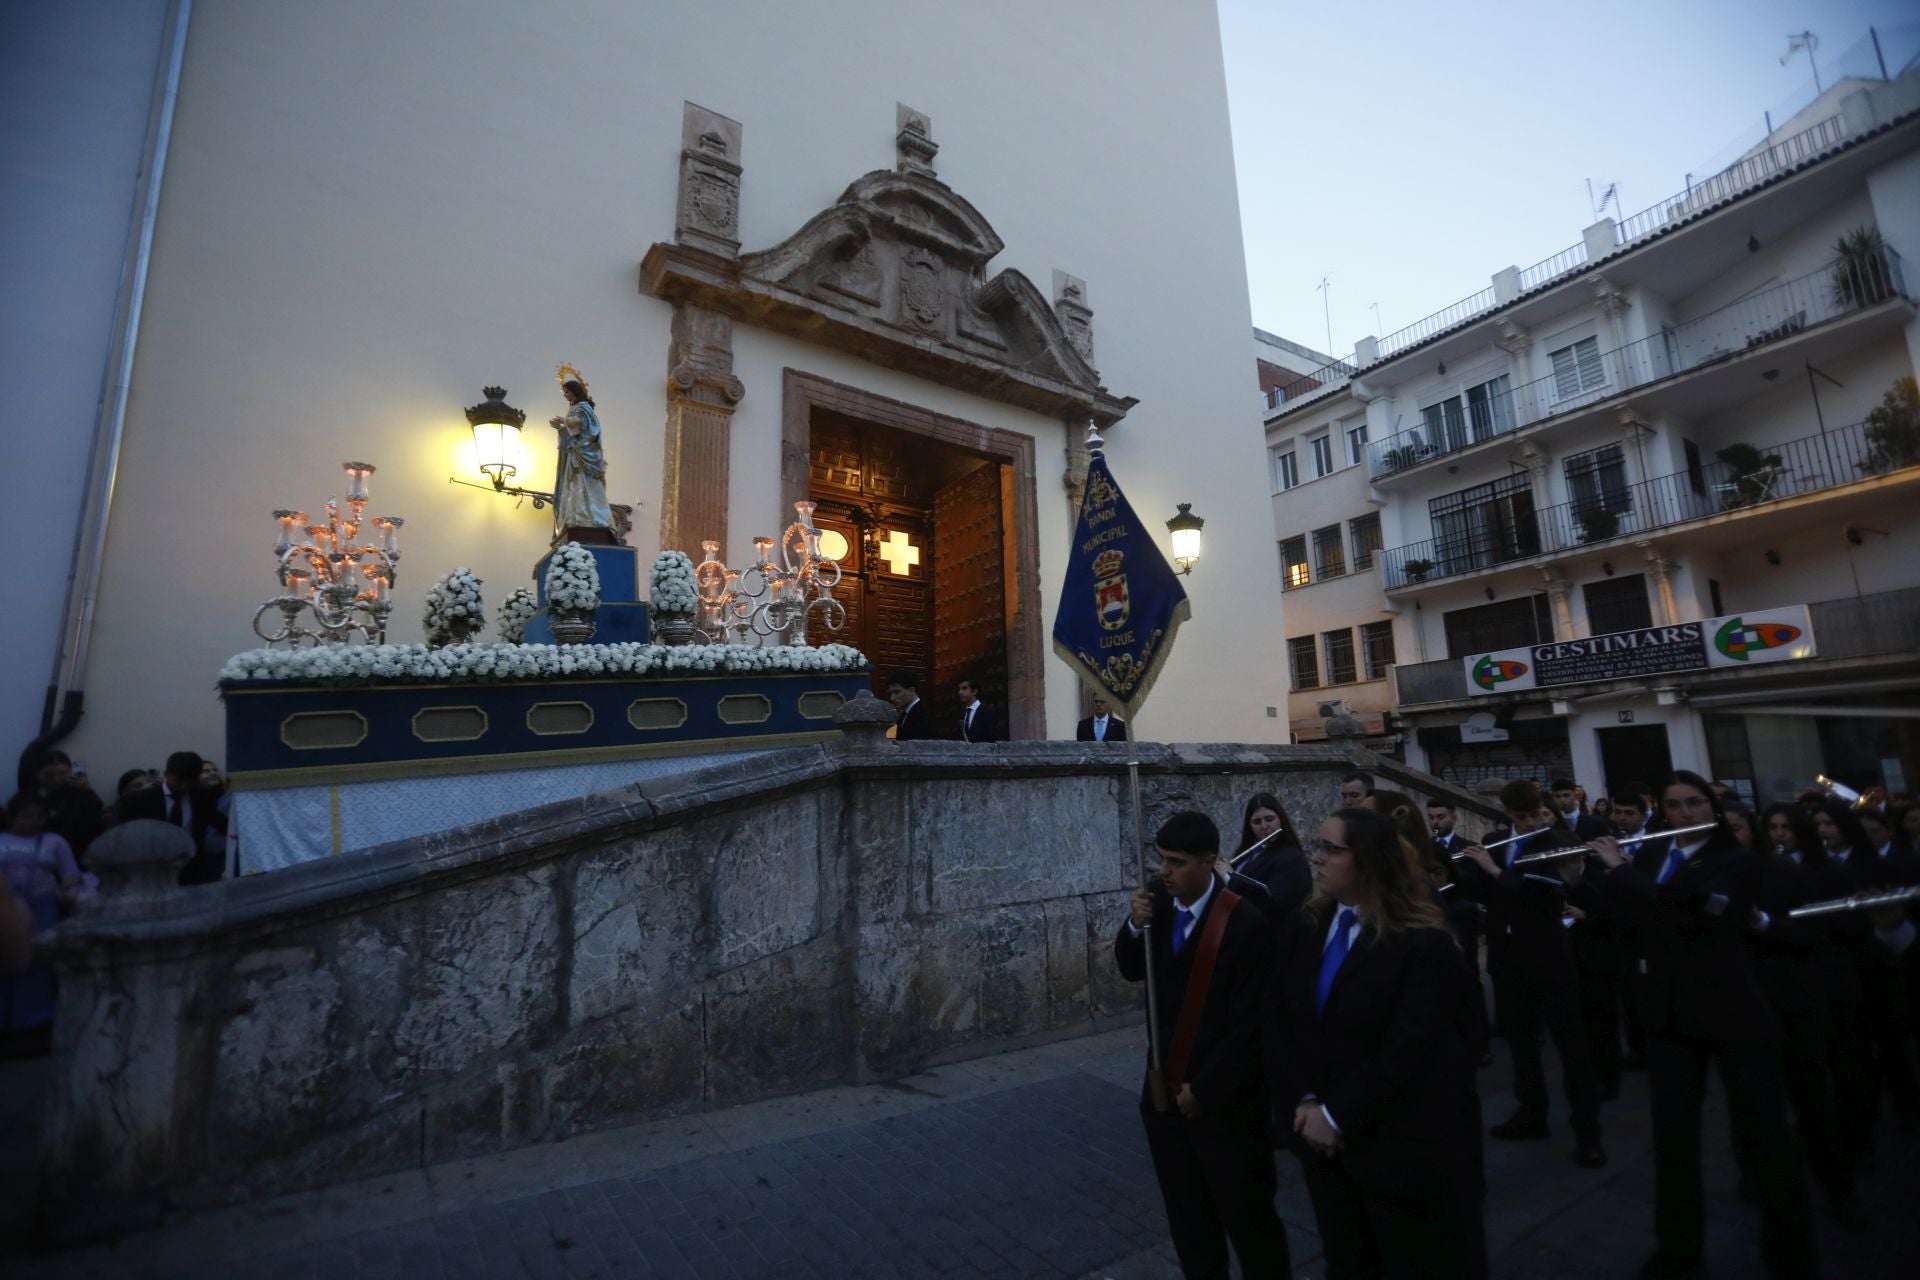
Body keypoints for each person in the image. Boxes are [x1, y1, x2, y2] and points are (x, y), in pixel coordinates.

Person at [1589, 771, 1816, 1280]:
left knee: (1764, 1137)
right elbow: (1628, 919)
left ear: (1711, 808)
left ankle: (1792, 1255)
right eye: (1675, 804)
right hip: (1669, 1016)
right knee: (1673, 1141)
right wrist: (1580, 880)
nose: (1686, 813)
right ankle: (1678, 1250)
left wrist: (1620, 873)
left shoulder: (1735, 861)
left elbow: (1694, 913)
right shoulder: (1650, 856)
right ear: (1663, 811)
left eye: (1695, 803)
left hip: (1733, 1010)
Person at [1266, 806, 1487, 1279]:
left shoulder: (1423, 942)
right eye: (1316, 845)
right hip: (1323, 1150)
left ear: (1368, 860)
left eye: (1330, 848)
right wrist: (1303, 1101)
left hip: (1400, 1151)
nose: (1317, 858)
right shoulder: (1307, 925)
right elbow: (1283, 1020)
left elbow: (1411, 1048)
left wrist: (1337, 1114)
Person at [1115, 811, 1290, 1278]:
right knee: (1189, 1222)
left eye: (1177, 862)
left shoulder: (1246, 920)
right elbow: (1132, 969)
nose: (1165, 872)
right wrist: (1134, 926)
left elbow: (1252, 1023)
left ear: (1210, 862)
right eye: (1162, 860)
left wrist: (1207, 1088)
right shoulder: (1155, 901)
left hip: (1229, 1106)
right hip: (1163, 1093)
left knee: (1250, 1222)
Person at [1458, 780, 1606, 1167]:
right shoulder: (1494, 838)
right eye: (1518, 816)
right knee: (1521, 1045)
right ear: (1507, 813)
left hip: (1548, 955)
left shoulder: (1557, 839)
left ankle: (1588, 1132)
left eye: (1531, 815)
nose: (1526, 823)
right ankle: (1531, 1113)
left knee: (1572, 1047)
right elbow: (1483, 891)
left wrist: (1493, 871)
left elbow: (1543, 890)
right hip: (1507, 957)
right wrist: (1461, 870)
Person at [1751, 802, 1863, 1227]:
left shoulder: (1827, 871)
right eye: (1773, 827)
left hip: (1817, 990)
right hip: (1770, 994)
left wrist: (1768, 925)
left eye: (1787, 828)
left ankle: (1839, 1186)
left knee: (1820, 1096)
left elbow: (1830, 932)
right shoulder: (1761, 870)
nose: (1780, 834)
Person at [1, 793, 83, 1046]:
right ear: (12, 816)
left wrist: (67, 890)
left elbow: (70, 873)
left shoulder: (54, 841)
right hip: (5, 908)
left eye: (39, 817)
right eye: (27, 817)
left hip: (43, 907)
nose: (34, 822)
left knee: (38, 962)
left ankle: (34, 1022)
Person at [118, 750, 228, 884]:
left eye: (190, 781)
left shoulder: (202, 796)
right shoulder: (139, 800)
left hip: (190, 868)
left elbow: (219, 822)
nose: (184, 786)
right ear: (166, 775)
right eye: (178, 781)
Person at [548, 367, 614, 539]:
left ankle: (591, 518)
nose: (565, 395)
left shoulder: (584, 408)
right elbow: (573, 432)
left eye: (567, 392)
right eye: (564, 392)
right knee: (574, 485)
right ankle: (577, 516)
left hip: (585, 455)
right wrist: (561, 429)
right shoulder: (576, 408)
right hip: (575, 454)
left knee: (587, 485)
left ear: (575, 392)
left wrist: (564, 421)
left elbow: (587, 427)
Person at [1231, 792, 1310, 925]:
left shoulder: (1292, 859)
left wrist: (1229, 879)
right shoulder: (1246, 854)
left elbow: (1276, 904)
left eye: (1269, 819)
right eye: (1256, 822)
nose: (1264, 826)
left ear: (1281, 820)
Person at [26, 749, 104, 867]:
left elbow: (94, 820)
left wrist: (88, 791)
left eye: (63, 773)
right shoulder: (27, 798)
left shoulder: (79, 792)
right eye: (49, 774)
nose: (57, 779)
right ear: (37, 774)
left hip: (78, 855)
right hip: (39, 857)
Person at [952, 676, 1004, 743]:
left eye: (964, 688)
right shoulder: (962, 713)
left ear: (974, 691)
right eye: (959, 689)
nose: (960, 692)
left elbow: (993, 736)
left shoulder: (988, 711)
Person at [885, 670, 932, 742]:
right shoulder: (906, 713)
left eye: (896, 692)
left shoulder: (921, 715)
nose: (892, 698)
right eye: (890, 693)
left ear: (912, 690)